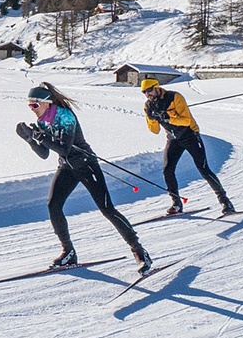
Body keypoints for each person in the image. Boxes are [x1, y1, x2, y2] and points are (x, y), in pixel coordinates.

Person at [17, 82, 152, 273]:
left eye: (34, 105)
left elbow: (63, 147)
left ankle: (139, 250)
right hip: (67, 167)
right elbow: (44, 154)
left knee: (106, 208)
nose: (31, 109)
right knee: (53, 205)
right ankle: (68, 252)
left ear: (46, 102)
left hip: (86, 165)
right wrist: (30, 139)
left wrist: (39, 137)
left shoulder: (65, 116)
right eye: (29, 105)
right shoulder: (42, 121)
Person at [141, 78, 235, 216]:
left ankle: (225, 202)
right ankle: (176, 204)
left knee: (203, 168)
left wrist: (167, 117)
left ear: (157, 87)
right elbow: (154, 130)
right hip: (173, 139)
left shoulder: (174, 97)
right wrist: (152, 118)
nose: (147, 94)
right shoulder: (148, 106)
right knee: (167, 170)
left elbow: (186, 121)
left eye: (149, 90)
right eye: (144, 92)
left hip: (190, 135)